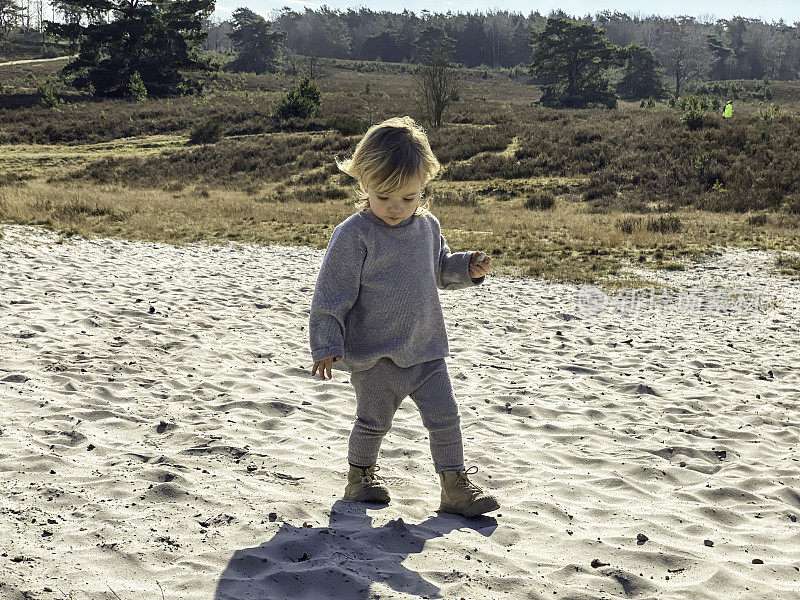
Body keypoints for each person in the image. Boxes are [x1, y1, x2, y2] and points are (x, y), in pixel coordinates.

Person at [308, 115, 500, 517]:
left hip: (426, 349)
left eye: (408, 198)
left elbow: (440, 269)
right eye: (384, 197)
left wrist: (467, 268)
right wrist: (326, 344)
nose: (396, 208)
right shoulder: (353, 235)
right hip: (375, 356)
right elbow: (331, 295)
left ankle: (454, 487)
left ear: (423, 188)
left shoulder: (427, 227)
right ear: (363, 183)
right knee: (372, 423)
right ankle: (360, 479)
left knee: (446, 419)